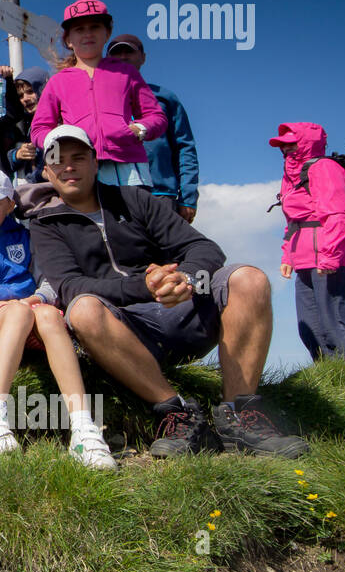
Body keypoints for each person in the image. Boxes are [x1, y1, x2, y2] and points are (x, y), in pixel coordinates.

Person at [23, 125, 310, 459]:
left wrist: (186, 279)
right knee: (82, 309)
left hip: (183, 308)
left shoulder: (136, 199)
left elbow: (205, 248)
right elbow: (70, 286)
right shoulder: (45, 224)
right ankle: (176, 412)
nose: (68, 166)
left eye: (78, 157)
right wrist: (143, 287)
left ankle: (239, 415)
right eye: (58, 160)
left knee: (250, 278)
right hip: (126, 335)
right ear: (46, 171)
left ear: (95, 162)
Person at [0, 169, 116, 469]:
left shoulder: (28, 237)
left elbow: (50, 282)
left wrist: (37, 299)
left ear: (9, 204)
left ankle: (84, 428)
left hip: (30, 315)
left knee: (46, 314)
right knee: (17, 312)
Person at [30, 0, 166, 188]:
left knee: (136, 216)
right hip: (80, 169)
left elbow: (156, 116)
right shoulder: (57, 82)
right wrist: (61, 143)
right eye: (79, 29)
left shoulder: (126, 73)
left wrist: (139, 130)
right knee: (90, 218)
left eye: (95, 27)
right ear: (68, 40)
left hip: (130, 167)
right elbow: (39, 129)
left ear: (107, 33)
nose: (87, 34)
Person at [270, 123, 345, 366]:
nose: (285, 149)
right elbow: (293, 222)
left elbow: (339, 215)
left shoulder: (325, 168)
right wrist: (288, 257)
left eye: (291, 143)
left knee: (337, 326)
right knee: (310, 329)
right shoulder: (291, 177)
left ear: (306, 143)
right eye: (282, 145)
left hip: (334, 258)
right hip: (305, 260)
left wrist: (330, 256)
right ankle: (335, 383)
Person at [106, 35, 199, 222]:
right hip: (113, 193)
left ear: (143, 57)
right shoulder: (99, 100)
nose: (123, 57)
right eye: (116, 53)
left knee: (163, 251)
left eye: (129, 52)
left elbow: (185, 147)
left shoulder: (164, 98)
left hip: (161, 193)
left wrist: (188, 198)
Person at [8, 67, 49, 185]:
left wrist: (37, 175)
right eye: (20, 96)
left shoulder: (60, 122)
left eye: (30, 91)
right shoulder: (25, 125)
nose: (25, 99)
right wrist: (17, 155)